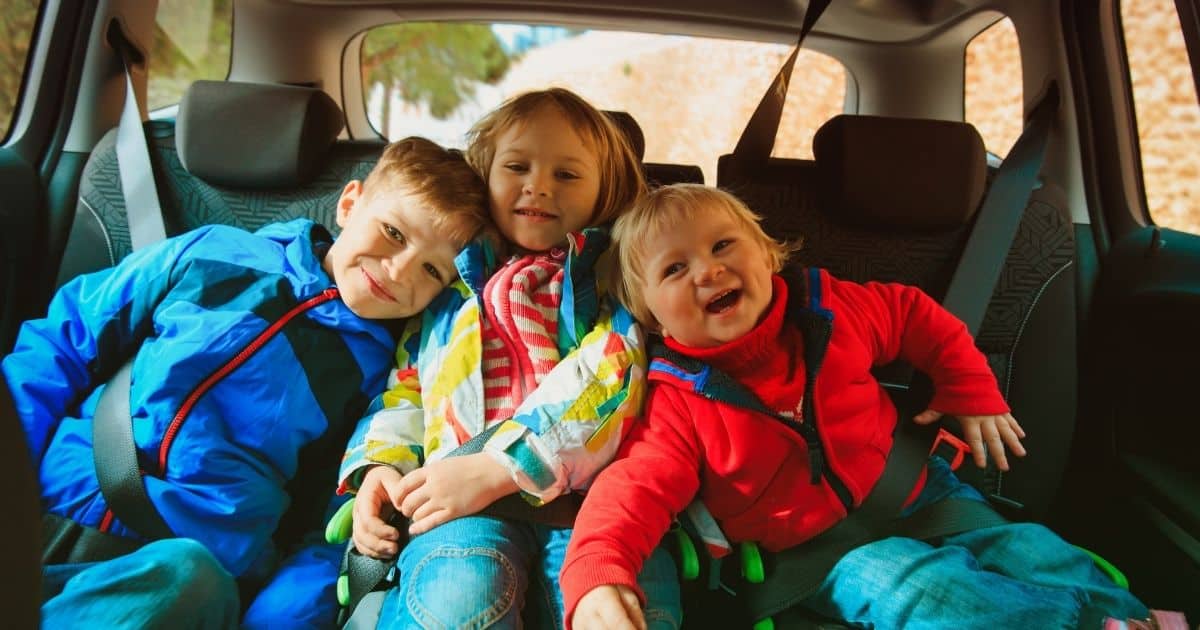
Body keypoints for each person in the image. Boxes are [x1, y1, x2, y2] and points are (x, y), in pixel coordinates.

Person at [561, 184, 1152, 630]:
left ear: (766, 255)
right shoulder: (678, 400)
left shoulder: (831, 310)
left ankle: (1135, 618)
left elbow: (916, 316)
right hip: (815, 555)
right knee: (930, 594)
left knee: (1042, 555)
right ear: (651, 317)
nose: (708, 269)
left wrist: (968, 388)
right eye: (675, 268)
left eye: (722, 245)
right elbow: (631, 491)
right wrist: (594, 577)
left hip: (924, 495)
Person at [3, 136, 490, 629]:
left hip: (187, 573)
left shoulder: (380, 380)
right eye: (393, 233)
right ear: (349, 204)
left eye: (432, 269)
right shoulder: (215, 252)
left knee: (189, 579)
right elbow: (66, 339)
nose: (399, 270)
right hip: (44, 512)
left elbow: (326, 527)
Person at [337, 88, 681, 629]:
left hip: (592, 511)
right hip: (459, 509)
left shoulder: (610, 285)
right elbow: (406, 389)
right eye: (517, 165)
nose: (539, 185)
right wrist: (382, 467)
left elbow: (611, 383)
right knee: (457, 601)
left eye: (567, 175)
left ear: (603, 193)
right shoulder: (445, 285)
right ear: (485, 174)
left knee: (628, 611)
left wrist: (501, 467)